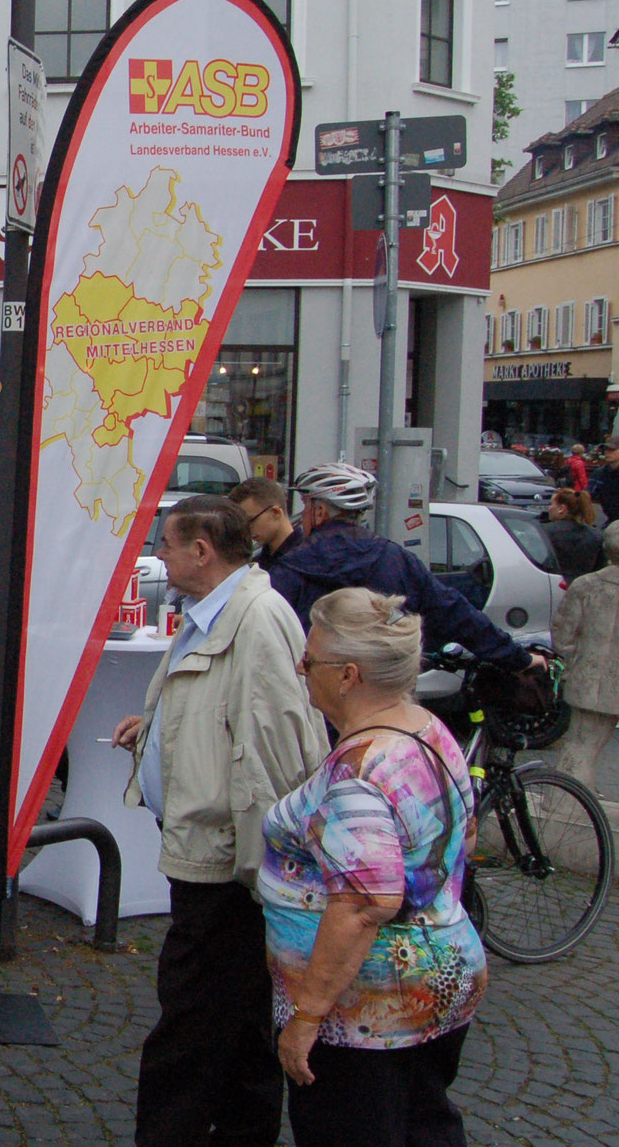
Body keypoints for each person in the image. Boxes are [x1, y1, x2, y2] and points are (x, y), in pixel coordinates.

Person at [110, 496, 327, 1147]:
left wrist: (259, 870)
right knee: (235, 1025)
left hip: (227, 865)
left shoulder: (257, 619)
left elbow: (279, 752)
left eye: (168, 545)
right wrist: (155, 733)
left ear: (202, 551)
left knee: (192, 1023)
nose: (161, 556)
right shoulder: (216, 612)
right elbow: (220, 711)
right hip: (209, 854)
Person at [263, 588, 487, 1146]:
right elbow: (463, 836)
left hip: (369, 1008)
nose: (300, 668)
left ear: (348, 675)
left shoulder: (360, 769)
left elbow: (365, 904)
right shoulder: (428, 729)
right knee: (424, 1125)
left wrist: (309, 1016)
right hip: (441, 972)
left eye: (310, 660)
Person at [268, 462, 540, 674]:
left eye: (304, 507)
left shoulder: (290, 568)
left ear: (319, 511)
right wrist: (519, 660)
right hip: (380, 700)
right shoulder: (395, 559)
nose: (302, 516)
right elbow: (455, 612)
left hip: (314, 700)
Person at [553, 521, 619, 789]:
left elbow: (563, 634)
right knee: (584, 746)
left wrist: (571, 664)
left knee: (580, 745)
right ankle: (571, 801)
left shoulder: (586, 586)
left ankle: (567, 801)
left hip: (588, 678)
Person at [228, 476, 300, 565]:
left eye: (251, 521)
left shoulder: (303, 561)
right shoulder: (258, 561)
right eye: (242, 524)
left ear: (275, 513)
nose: (246, 529)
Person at [543, 488, 603, 584]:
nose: (549, 508)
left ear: (561, 509)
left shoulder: (545, 531)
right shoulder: (596, 535)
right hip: (585, 585)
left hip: (554, 585)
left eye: (551, 504)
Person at [588, 436, 619, 526]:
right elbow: (587, 495)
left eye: (612, 450)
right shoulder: (600, 473)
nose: (607, 453)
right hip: (611, 520)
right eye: (606, 449)